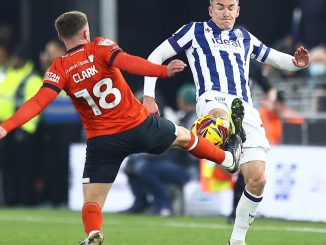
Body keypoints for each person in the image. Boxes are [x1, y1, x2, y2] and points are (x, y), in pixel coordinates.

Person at [0, 11, 242, 245]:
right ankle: (227, 159)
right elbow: (129, 63)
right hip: (138, 126)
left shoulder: (59, 69)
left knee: (92, 202)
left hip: (102, 142)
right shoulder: (100, 46)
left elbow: (37, 102)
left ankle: (94, 233)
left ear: (62, 38)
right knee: (184, 136)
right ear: (86, 31)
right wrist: (162, 71)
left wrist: (6, 127)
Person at [143, 1, 310, 244]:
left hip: (246, 107)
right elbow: (156, 55)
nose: (226, 12)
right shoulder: (194, 31)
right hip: (212, 98)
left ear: (238, 11)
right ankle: (229, 151)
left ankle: (237, 240)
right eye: (220, 7)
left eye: (231, 7)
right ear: (210, 10)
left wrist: (297, 63)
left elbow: (276, 59)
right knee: (220, 116)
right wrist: (149, 96)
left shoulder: (244, 37)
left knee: (258, 180)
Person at [37, 40, 82, 207]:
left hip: (68, 123)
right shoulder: (50, 69)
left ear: (61, 50)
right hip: (53, 125)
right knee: (53, 162)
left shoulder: (70, 64)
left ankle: (67, 198)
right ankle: (56, 198)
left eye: (51, 50)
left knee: (66, 162)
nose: (48, 54)